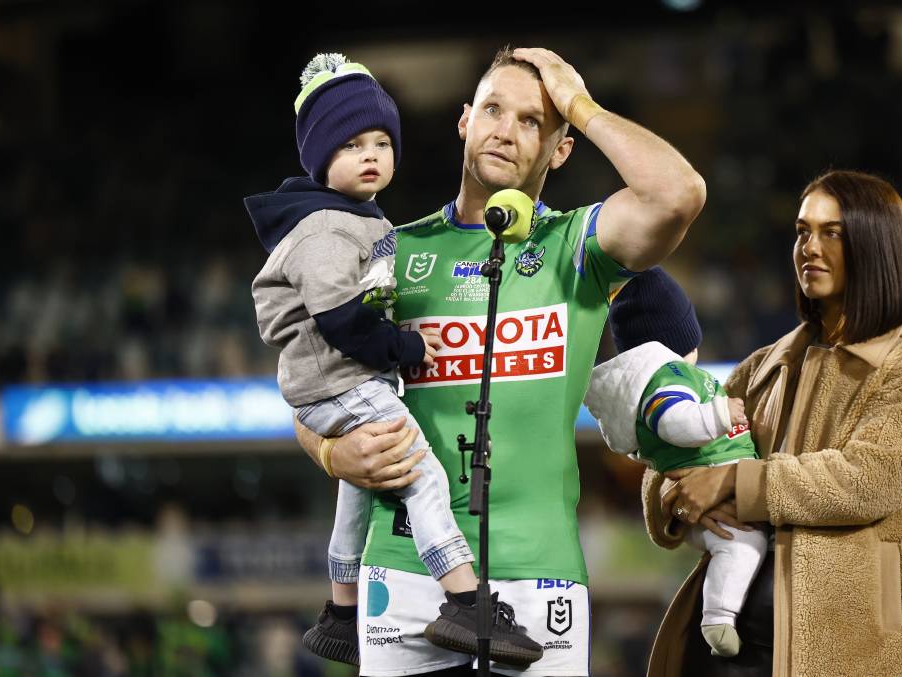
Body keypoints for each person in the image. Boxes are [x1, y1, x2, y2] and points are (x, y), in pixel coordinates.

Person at [294, 45, 706, 676]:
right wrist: (331, 453)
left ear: (560, 149)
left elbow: (677, 194)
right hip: (402, 573)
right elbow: (309, 387)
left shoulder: (578, 247)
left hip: (539, 575)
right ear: (465, 121)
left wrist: (581, 105)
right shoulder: (388, 251)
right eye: (492, 109)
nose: (505, 132)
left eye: (532, 121)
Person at [245, 53, 541, 667]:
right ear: (321, 156)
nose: (372, 154)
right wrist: (403, 348)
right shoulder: (325, 225)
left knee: (357, 493)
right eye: (352, 144)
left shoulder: (356, 215)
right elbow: (340, 320)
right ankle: (464, 600)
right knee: (422, 476)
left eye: (381, 141)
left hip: (335, 382)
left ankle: (340, 614)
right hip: (341, 380)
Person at [643, 170, 902, 676]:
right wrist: (674, 494)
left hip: (859, 652)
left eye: (831, 232)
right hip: (736, 648)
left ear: (876, 245)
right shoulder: (764, 365)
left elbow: (866, 480)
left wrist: (730, 480)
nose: (809, 248)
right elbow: (668, 454)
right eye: (801, 231)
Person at [583, 267, 765, 658]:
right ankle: (718, 617)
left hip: (719, 494)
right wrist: (720, 416)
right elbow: (673, 422)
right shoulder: (668, 377)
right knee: (744, 547)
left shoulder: (671, 375)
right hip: (720, 511)